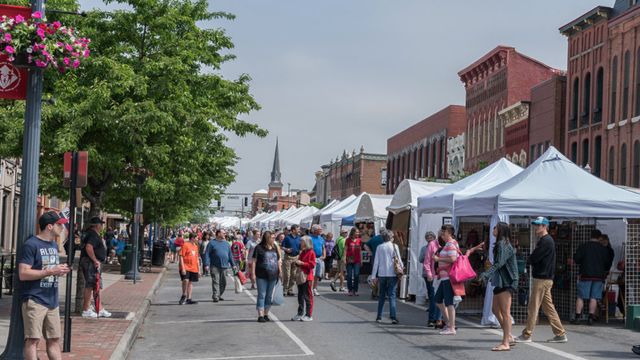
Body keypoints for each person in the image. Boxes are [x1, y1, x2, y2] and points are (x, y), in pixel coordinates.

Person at [19, 211, 71, 360]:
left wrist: (58, 271)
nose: (62, 227)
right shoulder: (31, 245)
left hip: (52, 300)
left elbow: (48, 269)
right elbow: (23, 273)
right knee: (33, 340)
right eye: (59, 224)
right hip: (35, 299)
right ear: (49, 226)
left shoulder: (54, 244)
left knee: (54, 339)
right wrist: (50, 271)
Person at [515, 217, 568, 343]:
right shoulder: (546, 240)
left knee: (533, 307)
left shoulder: (546, 241)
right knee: (549, 308)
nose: (536, 227)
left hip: (542, 279)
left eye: (539, 225)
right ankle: (560, 334)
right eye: (536, 225)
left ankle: (527, 335)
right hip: (545, 279)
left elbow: (534, 258)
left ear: (545, 226)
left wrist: (527, 260)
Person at [480, 222, 518, 351]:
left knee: (505, 313)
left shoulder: (503, 244)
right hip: (501, 281)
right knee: (495, 309)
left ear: (500, 230)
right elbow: (498, 263)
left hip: (507, 281)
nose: (493, 229)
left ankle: (506, 342)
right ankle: (509, 336)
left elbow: (499, 263)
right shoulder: (501, 243)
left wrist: (486, 274)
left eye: (495, 227)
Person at [570, 229, 614, 325]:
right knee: (594, 297)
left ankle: (577, 318)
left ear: (590, 236)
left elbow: (576, 259)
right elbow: (607, 264)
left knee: (581, 296)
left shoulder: (584, 246)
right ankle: (590, 318)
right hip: (599, 276)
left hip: (585, 275)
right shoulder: (603, 249)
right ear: (599, 237)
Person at [79, 216, 111, 318]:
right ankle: (86, 309)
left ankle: (99, 308)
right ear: (97, 225)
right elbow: (89, 247)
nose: (102, 226)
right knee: (91, 285)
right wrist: (95, 260)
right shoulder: (92, 235)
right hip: (90, 263)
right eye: (101, 224)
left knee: (96, 285)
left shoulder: (92, 234)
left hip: (91, 262)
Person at [371, 230, 403, 324]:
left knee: (381, 295)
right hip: (392, 273)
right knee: (392, 295)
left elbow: (376, 262)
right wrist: (401, 269)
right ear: (391, 237)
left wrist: (373, 276)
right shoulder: (394, 246)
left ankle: (379, 317)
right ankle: (393, 317)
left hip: (382, 274)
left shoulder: (379, 247)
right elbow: (399, 260)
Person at [433, 224, 460, 335]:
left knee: (449, 302)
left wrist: (439, 258)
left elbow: (453, 259)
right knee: (438, 299)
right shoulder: (448, 244)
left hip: (448, 277)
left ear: (449, 232)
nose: (441, 234)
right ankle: (448, 323)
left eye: (443, 232)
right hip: (444, 277)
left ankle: (451, 327)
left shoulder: (451, 244)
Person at [251, 231, 282, 322]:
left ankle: (266, 314)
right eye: (272, 237)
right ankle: (260, 315)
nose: (274, 239)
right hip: (261, 275)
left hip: (273, 275)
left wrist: (280, 272)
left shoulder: (274, 247)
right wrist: (253, 274)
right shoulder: (259, 248)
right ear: (267, 238)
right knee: (262, 295)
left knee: (269, 296)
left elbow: (278, 260)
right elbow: (253, 261)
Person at [418, 231, 442, 328]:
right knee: (433, 297)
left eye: (430, 236)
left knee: (438, 297)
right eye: (427, 236)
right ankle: (432, 319)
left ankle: (438, 319)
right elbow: (421, 260)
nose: (429, 238)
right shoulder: (425, 248)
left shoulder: (440, 245)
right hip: (429, 274)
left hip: (438, 274)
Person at [204, 229, 235, 302]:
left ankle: (218, 294)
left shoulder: (226, 244)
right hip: (214, 266)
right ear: (218, 234)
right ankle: (215, 296)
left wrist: (233, 264)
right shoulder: (211, 243)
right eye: (223, 233)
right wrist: (206, 264)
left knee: (223, 283)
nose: (225, 234)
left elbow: (230, 255)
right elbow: (207, 254)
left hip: (224, 266)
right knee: (216, 281)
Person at [292, 235, 316, 321]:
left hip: (307, 276)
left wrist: (302, 263)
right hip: (301, 276)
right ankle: (300, 313)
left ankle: (309, 315)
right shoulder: (303, 252)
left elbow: (312, 265)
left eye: (301, 242)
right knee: (300, 295)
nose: (300, 243)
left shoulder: (311, 252)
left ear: (306, 243)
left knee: (307, 296)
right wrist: (297, 262)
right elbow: (300, 261)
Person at [178, 233, 200, 305]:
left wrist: (198, 270)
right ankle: (184, 295)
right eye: (196, 238)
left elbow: (197, 258)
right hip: (186, 266)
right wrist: (183, 268)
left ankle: (189, 298)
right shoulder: (185, 245)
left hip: (193, 267)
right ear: (192, 238)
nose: (197, 239)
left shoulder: (196, 246)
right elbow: (181, 256)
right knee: (185, 280)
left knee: (190, 282)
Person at [282, 225, 301, 296]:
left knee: (294, 275)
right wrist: (286, 249)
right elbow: (282, 246)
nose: (299, 231)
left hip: (296, 257)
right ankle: (285, 289)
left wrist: (300, 251)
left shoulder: (299, 238)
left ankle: (290, 289)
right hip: (288, 257)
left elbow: (300, 247)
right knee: (287, 274)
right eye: (297, 229)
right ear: (293, 230)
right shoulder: (287, 238)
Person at [365, 232, 384, 299]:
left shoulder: (374, 238)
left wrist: (370, 252)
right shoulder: (384, 239)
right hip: (382, 260)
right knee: (380, 277)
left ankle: (374, 293)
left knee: (374, 276)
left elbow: (365, 245)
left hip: (374, 259)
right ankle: (379, 294)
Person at [345, 227, 362, 296]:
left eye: (358, 232)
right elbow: (345, 250)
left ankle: (355, 290)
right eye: (356, 232)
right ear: (353, 232)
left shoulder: (359, 240)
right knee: (349, 275)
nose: (358, 233)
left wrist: (361, 260)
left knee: (356, 275)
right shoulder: (348, 240)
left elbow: (360, 250)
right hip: (349, 260)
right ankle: (350, 290)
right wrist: (344, 258)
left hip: (357, 260)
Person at [310, 225, 326, 296]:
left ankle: (315, 289)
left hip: (320, 258)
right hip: (313, 258)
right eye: (320, 229)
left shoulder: (321, 238)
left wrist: (324, 255)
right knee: (312, 275)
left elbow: (323, 248)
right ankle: (310, 289)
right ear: (315, 230)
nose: (321, 230)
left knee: (317, 275)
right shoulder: (310, 238)